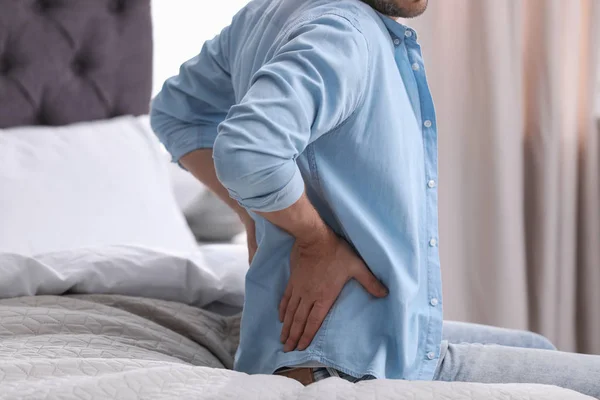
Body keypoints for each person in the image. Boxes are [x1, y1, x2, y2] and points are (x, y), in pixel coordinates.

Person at [150, 0, 600, 397]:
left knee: (539, 349)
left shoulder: (269, 11)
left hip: (319, 341)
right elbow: (247, 149)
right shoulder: (344, 33)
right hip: (348, 364)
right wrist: (314, 240)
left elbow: (175, 112)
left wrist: (257, 211)